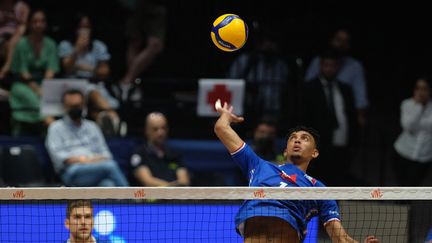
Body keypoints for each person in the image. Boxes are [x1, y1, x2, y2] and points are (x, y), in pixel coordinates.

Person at [213, 99, 379, 242]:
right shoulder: (259, 166)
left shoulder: (319, 189)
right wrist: (226, 116)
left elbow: (339, 237)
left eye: (304, 139)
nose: (297, 141)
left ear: (315, 153)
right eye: (293, 138)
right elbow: (222, 129)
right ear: (285, 150)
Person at [45, 89, 129, 187]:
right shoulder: (56, 127)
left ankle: (125, 200)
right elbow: (60, 158)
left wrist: (87, 161)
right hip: (71, 173)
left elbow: (106, 154)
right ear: (65, 107)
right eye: (72, 106)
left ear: (84, 105)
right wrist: (86, 160)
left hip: (95, 169)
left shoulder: (92, 126)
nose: (76, 108)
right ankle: (132, 199)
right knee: (110, 166)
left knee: (108, 185)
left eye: (79, 105)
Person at [300, 49, 357, 186]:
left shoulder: (345, 89)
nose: (330, 69)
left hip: (341, 149)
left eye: (334, 65)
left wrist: (353, 144)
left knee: (337, 186)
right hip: (319, 150)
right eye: (327, 65)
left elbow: (351, 118)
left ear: (338, 67)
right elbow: (304, 119)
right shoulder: (308, 89)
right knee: (317, 188)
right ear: (321, 66)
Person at [58, 13, 120, 136]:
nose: (84, 31)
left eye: (87, 27)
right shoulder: (66, 45)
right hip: (73, 86)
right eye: (81, 27)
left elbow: (104, 72)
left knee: (96, 108)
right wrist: (77, 49)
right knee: (92, 92)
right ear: (75, 28)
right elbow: (67, 68)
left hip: (94, 83)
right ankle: (115, 119)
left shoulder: (98, 46)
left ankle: (106, 127)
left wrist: (84, 68)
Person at [305, 28, 368, 128]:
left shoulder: (354, 66)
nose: (341, 44)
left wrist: (360, 117)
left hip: (343, 113)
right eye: (338, 40)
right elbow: (307, 89)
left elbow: (360, 96)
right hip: (317, 113)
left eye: (345, 41)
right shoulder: (318, 61)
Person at [9, 9, 58, 136]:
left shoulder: (51, 44)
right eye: (35, 21)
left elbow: (51, 70)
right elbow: (23, 72)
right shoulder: (22, 44)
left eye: (41, 21)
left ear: (46, 24)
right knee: (37, 101)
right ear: (30, 24)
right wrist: (38, 90)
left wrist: (45, 88)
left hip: (45, 84)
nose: (38, 24)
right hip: (23, 84)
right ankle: (55, 128)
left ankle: (52, 131)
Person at [129, 112, 190, 186]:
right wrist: (170, 188)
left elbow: (184, 181)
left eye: (163, 128)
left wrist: (174, 190)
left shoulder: (174, 153)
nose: (160, 132)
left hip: (175, 196)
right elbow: (147, 181)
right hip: (149, 196)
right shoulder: (139, 153)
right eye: (155, 129)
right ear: (146, 130)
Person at [393, 77, 432, 186]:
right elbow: (408, 127)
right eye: (418, 88)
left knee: (412, 188)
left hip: (424, 157)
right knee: (401, 189)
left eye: (424, 89)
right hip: (403, 152)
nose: (421, 92)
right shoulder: (407, 104)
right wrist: (419, 106)